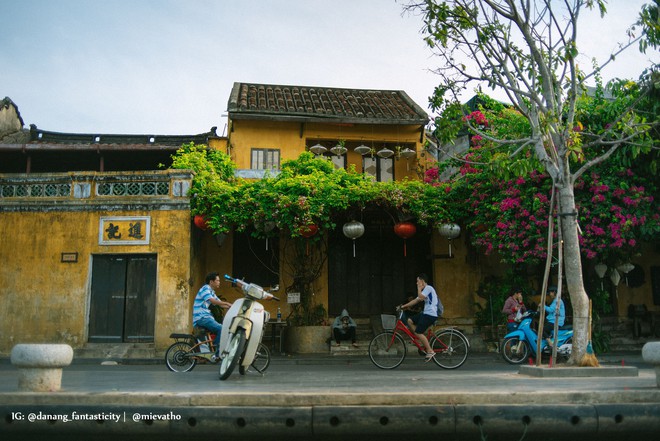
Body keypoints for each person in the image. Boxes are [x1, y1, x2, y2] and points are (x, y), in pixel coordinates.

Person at [400, 273, 441, 362]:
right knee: (409, 321)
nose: (416, 283)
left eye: (418, 281)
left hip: (430, 315)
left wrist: (419, 288)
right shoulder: (425, 290)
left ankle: (430, 350)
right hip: (425, 313)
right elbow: (416, 300)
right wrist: (404, 306)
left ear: (422, 281)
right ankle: (420, 339)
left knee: (418, 332)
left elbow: (421, 298)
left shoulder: (428, 288)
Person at [192, 272, 233, 359]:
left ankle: (216, 350)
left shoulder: (211, 291)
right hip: (202, 317)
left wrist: (233, 307)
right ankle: (216, 352)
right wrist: (227, 303)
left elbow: (220, 304)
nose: (219, 282)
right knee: (222, 329)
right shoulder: (205, 289)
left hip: (206, 317)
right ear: (211, 282)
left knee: (223, 328)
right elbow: (213, 301)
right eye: (217, 280)